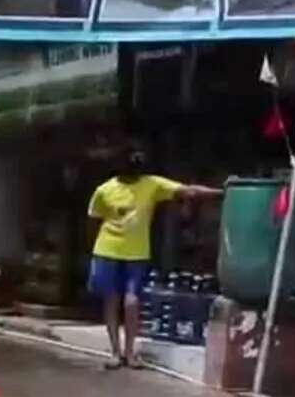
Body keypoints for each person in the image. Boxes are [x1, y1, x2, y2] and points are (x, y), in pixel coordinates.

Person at [88, 150, 223, 369]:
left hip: (137, 254)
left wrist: (221, 192)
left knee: (131, 302)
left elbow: (188, 192)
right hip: (107, 252)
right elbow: (94, 221)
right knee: (112, 301)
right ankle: (116, 352)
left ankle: (129, 353)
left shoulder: (152, 184)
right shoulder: (104, 190)